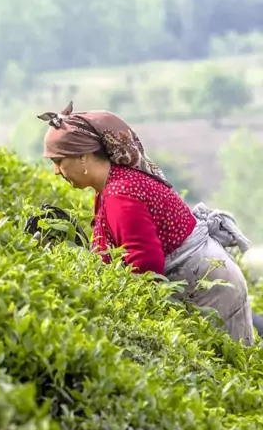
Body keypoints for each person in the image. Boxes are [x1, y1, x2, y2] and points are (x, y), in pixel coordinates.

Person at [38, 101, 255, 346]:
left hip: (211, 290)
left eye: (59, 161)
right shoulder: (110, 188)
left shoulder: (121, 193)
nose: (57, 171)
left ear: (84, 157)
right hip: (203, 280)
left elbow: (145, 268)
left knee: (227, 364)